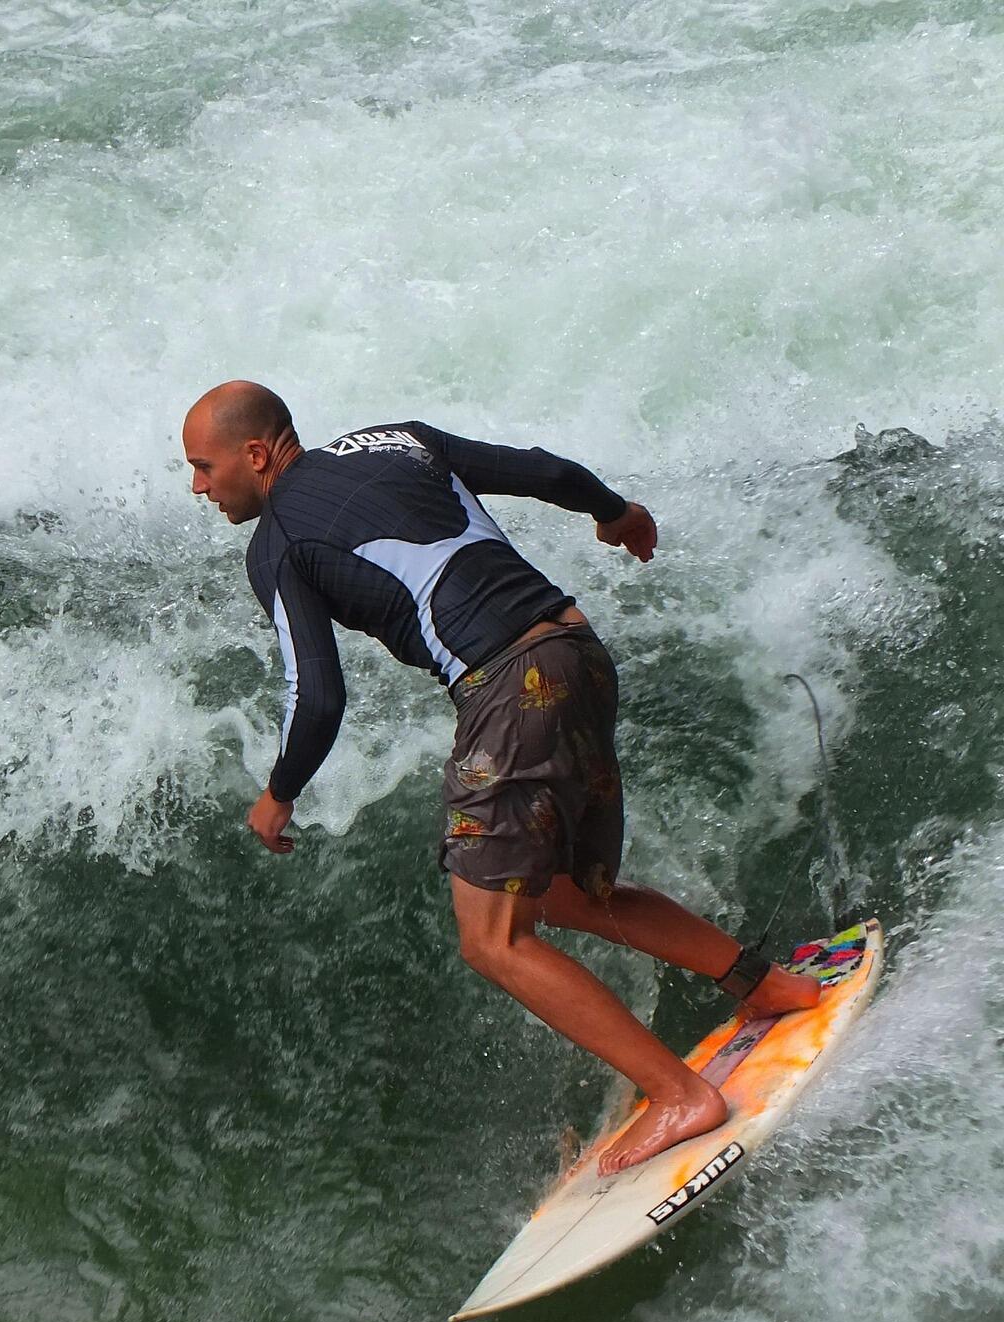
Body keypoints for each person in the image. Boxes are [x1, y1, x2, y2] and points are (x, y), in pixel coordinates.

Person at [181, 380, 818, 1176]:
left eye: (203, 467)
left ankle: (681, 1096)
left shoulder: (277, 543)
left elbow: (317, 693)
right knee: (567, 896)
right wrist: (616, 513)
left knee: (492, 941)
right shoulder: (398, 439)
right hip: (578, 653)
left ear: (255, 453)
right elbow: (546, 471)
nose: (199, 487)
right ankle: (767, 988)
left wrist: (280, 793)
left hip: (511, 686)